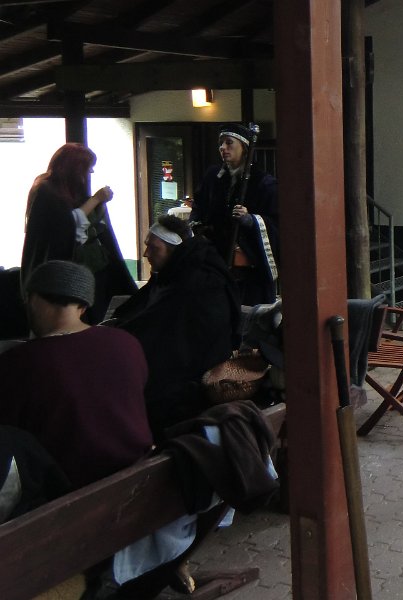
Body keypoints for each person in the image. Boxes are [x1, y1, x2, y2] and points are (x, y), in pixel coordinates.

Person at [0, 260, 152, 489]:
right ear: (83, 306)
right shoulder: (127, 342)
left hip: (68, 490)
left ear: (34, 299)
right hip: (139, 475)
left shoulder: (20, 362)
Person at [111, 215, 241, 440]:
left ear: (174, 249)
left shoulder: (200, 283)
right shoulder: (173, 274)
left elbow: (171, 334)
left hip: (192, 381)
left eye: (154, 248)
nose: (146, 254)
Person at [21, 143, 137, 325]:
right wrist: (96, 199)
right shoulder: (46, 191)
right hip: (68, 271)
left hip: (93, 268)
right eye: (88, 167)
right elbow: (68, 226)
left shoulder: (66, 190)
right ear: (74, 167)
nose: (91, 172)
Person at [189, 123, 279, 305]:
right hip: (216, 260)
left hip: (249, 265)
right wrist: (197, 225)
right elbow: (199, 207)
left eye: (229, 143)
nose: (223, 148)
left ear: (244, 148)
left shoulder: (264, 183)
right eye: (221, 143)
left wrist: (251, 220)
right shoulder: (213, 177)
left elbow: (277, 220)